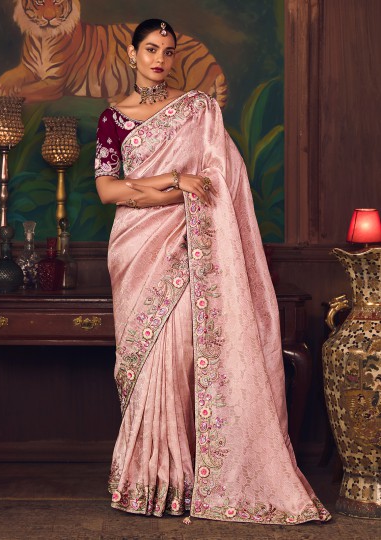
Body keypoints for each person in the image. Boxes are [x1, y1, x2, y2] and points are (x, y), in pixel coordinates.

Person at [95, 18, 331, 525]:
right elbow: (108, 190)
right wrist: (174, 181)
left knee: (181, 357)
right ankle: (146, 481)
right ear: (132, 53)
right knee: (145, 363)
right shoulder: (113, 118)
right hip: (135, 249)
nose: (160, 59)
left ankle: (183, 480)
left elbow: (219, 180)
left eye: (168, 51)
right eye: (151, 49)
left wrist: (160, 191)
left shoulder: (198, 110)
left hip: (187, 246)